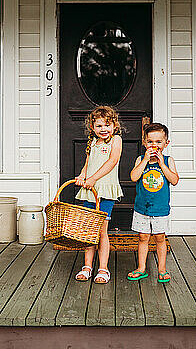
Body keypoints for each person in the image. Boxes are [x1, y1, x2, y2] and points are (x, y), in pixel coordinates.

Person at [74, 106, 123, 284]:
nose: (104, 129)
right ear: (92, 127)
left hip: (105, 190)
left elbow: (112, 161)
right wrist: (82, 176)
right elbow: (87, 164)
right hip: (89, 191)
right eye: (99, 126)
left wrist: (93, 178)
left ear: (114, 126)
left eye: (107, 125)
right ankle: (87, 266)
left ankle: (103, 268)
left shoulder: (115, 140)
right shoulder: (93, 142)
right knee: (89, 230)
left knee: (102, 231)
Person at [127, 123, 179, 283]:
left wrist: (162, 163)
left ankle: (162, 269)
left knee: (160, 238)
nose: (154, 145)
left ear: (166, 143)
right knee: (143, 237)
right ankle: (141, 268)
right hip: (142, 207)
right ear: (144, 142)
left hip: (160, 209)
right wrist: (145, 161)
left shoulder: (168, 160)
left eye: (158, 142)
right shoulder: (140, 159)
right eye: (150, 142)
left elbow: (174, 180)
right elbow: (134, 177)